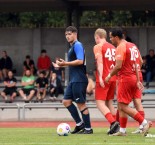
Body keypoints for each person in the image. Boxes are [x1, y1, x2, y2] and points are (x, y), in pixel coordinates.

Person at [105, 28, 152, 136]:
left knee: (122, 106)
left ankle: (144, 122)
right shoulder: (132, 45)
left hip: (125, 79)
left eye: (111, 37)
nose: (110, 39)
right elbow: (139, 61)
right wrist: (136, 76)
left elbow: (118, 66)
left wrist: (109, 75)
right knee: (123, 104)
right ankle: (122, 130)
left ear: (116, 37)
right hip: (134, 78)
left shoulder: (121, 47)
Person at [53, 26, 93, 134]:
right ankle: (80, 125)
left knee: (81, 104)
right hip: (74, 79)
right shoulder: (72, 47)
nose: (67, 36)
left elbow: (80, 61)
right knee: (66, 101)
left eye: (69, 34)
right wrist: (62, 64)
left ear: (75, 34)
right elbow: (75, 63)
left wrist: (65, 63)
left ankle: (88, 129)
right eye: (66, 34)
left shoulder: (78, 45)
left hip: (79, 79)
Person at [93, 28, 119, 135]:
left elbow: (99, 62)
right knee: (109, 102)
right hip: (113, 77)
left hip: (104, 77)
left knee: (99, 103)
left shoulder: (98, 46)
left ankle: (113, 123)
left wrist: (99, 77)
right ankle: (117, 124)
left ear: (97, 37)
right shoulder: (113, 47)